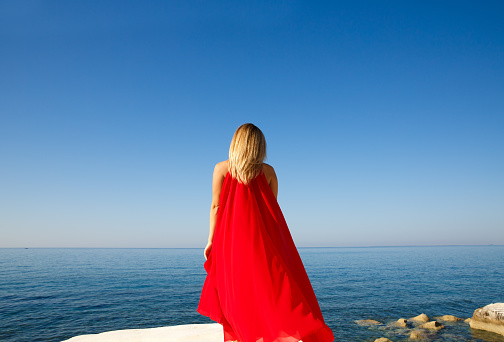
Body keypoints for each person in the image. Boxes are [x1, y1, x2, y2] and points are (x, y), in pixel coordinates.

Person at [197, 123, 334, 342]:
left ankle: (242, 336)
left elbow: (216, 207)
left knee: (235, 291)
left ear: (236, 143)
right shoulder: (269, 172)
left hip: (230, 242)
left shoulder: (221, 169)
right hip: (261, 241)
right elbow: (271, 209)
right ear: (259, 146)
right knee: (268, 289)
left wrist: (210, 240)